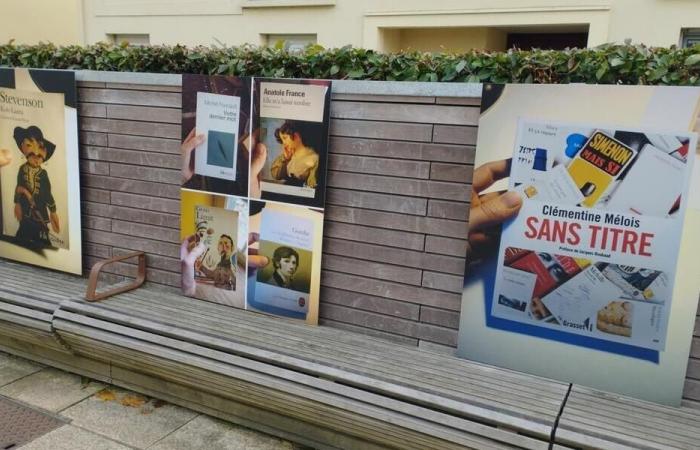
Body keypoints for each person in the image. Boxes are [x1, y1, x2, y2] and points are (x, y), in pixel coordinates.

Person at [12, 126, 60, 248]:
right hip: (25, 209)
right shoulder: (22, 169)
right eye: (33, 155)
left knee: (42, 237)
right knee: (23, 234)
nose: (36, 159)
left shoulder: (43, 174)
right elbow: (18, 186)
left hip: (39, 213)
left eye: (40, 157)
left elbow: (48, 195)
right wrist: (17, 203)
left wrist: (53, 212)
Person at [270, 121, 319, 188]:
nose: (283, 143)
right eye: (282, 139)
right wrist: (285, 159)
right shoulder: (287, 155)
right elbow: (275, 175)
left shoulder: (313, 157)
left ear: (296, 136)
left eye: (285, 138)